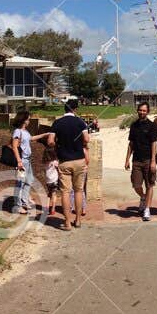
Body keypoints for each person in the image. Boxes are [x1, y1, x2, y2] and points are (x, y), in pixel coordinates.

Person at [48, 98, 90, 230]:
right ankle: (78, 220)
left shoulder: (57, 123)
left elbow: (50, 141)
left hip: (64, 160)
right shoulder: (80, 122)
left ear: (65, 108)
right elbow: (87, 139)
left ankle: (67, 222)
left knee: (65, 192)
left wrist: (58, 146)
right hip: (79, 159)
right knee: (78, 190)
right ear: (75, 109)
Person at [124, 102, 157, 221]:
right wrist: (127, 159)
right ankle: (143, 197)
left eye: (144, 110)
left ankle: (147, 209)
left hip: (148, 160)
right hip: (136, 160)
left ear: (148, 112)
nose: (142, 112)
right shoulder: (134, 125)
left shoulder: (152, 126)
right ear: (137, 111)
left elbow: (154, 143)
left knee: (149, 185)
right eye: (140, 110)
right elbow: (131, 143)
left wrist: (153, 161)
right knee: (136, 185)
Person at [8, 111, 49, 215]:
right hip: (22, 161)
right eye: (28, 119)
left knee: (29, 180)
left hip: (27, 160)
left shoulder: (25, 131)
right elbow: (14, 146)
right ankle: (17, 206)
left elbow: (31, 138)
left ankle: (24, 201)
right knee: (20, 183)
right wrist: (19, 161)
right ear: (23, 120)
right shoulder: (17, 132)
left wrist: (44, 135)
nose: (29, 121)